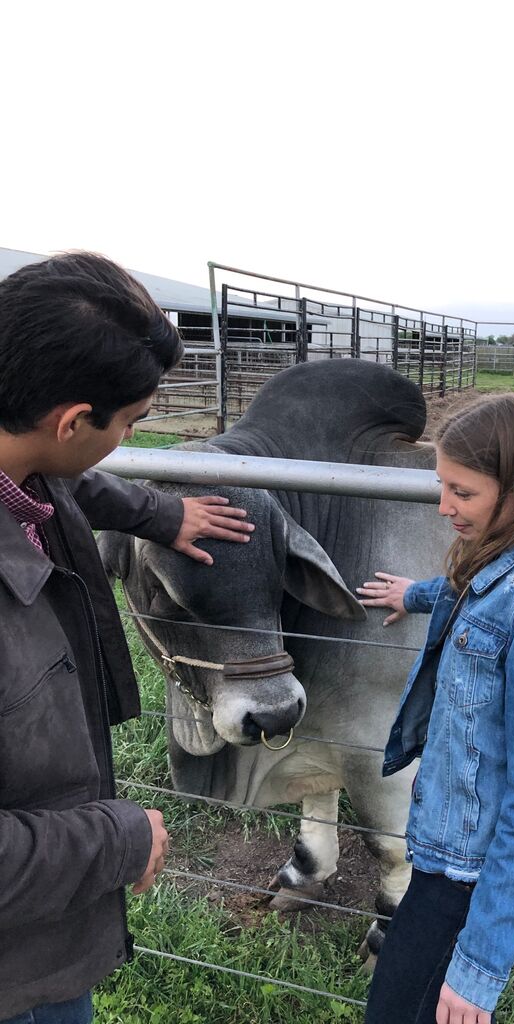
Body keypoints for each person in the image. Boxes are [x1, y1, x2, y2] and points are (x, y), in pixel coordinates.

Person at [0, 252, 256, 1023]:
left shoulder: (28, 465)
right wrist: (115, 839)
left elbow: (69, 476)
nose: (130, 437)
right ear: (74, 422)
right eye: (133, 424)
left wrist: (160, 512)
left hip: (39, 928)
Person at [357, 394, 514, 1024]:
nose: (444, 507)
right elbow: (472, 591)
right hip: (451, 856)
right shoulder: (510, 551)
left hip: (475, 880)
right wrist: (414, 594)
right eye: (442, 486)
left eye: (462, 493)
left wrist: (479, 970)